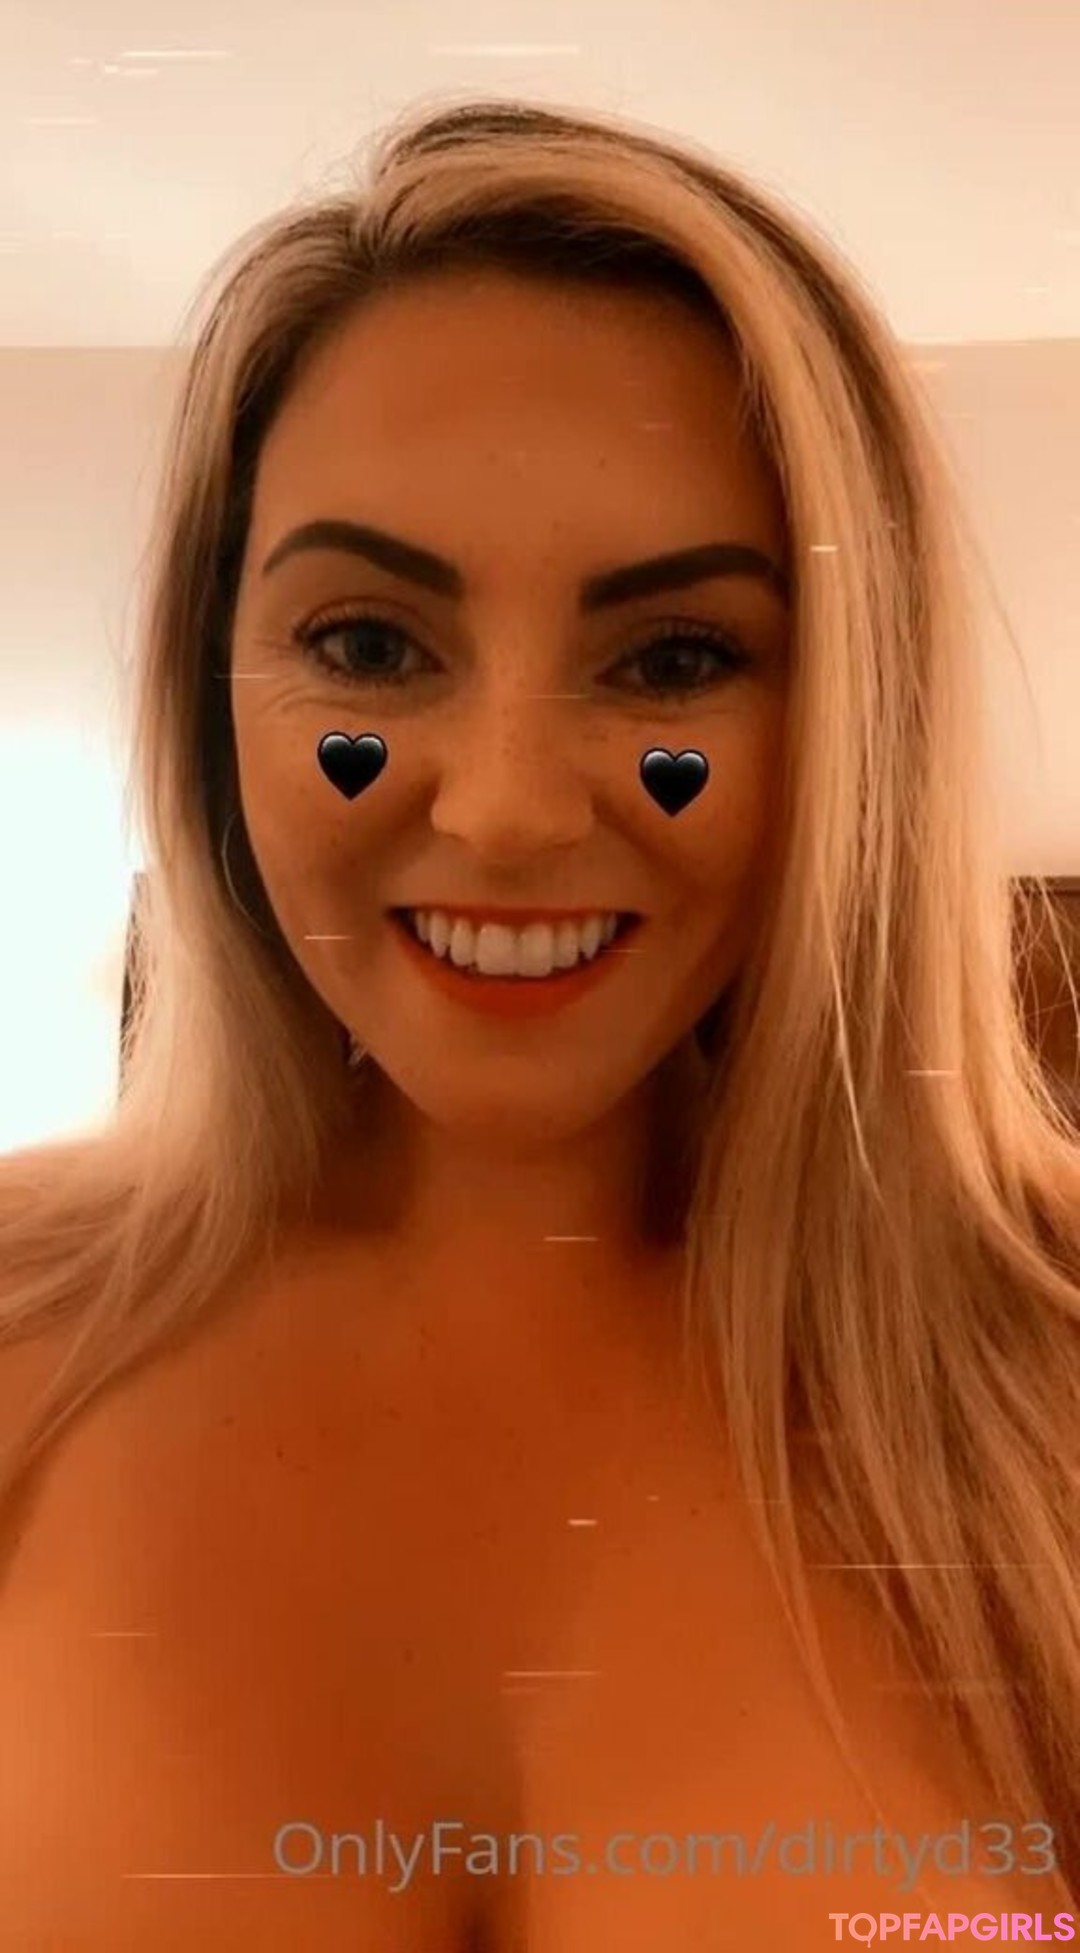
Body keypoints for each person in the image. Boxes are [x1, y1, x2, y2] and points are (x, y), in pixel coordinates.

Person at [0, 94, 1078, 1951]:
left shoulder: (1045, 1380)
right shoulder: (22, 1336)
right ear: (208, 688)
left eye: (674, 658)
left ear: (849, 721)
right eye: (368, 645)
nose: (503, 809)